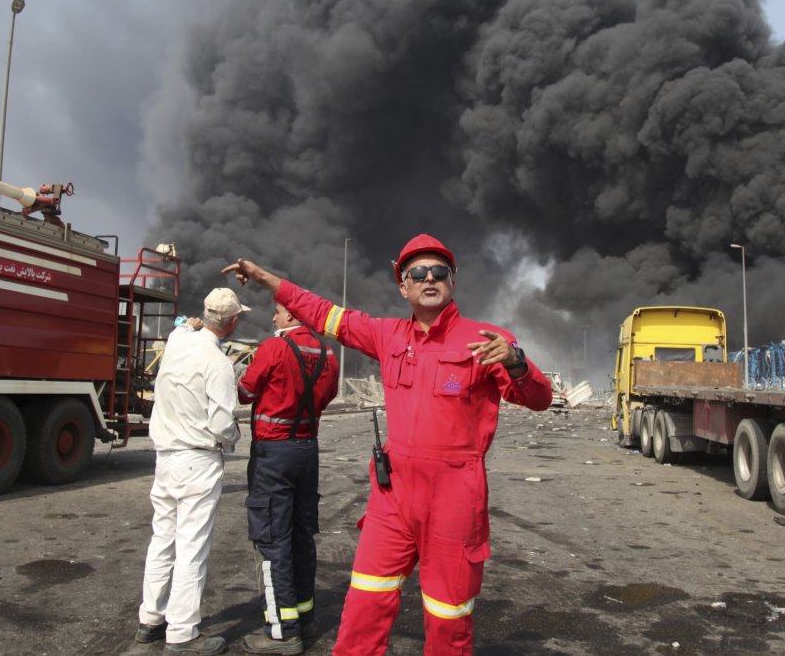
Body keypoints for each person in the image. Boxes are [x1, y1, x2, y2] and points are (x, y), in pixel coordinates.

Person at [222, 234, 553, 655]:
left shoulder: (486, 340)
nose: (429, 278)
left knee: (447, 616)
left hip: (454, 496)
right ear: (404, 286)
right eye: (417, 273)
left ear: (453, 281)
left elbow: (539, 400)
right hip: (392, 496)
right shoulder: (387, 335)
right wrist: (267, 279)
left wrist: (517, 362)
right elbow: (324, 313)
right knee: (364, 603)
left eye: (439, 272)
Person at [135, 288, 250, 655]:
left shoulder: (177, 340)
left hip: (164, 458)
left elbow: (183, 326)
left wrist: (190, 325)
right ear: (231, 323)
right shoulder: (218, 364)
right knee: (192, 547)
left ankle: (151, 620)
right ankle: (183, 634)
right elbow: (221, 422)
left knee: (162, 540)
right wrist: (235, 435)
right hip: (197, 460)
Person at [236, 303, 341, 655]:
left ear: (293, 316)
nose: (274, 318)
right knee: (300, 535)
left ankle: (281, 631)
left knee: (271, 541)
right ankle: (304, 617)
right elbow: (327, 396)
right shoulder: (328, 353)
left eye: (278, 313)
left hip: (273, 454)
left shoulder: (274, 347)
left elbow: (245, 391)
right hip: (307, 450)